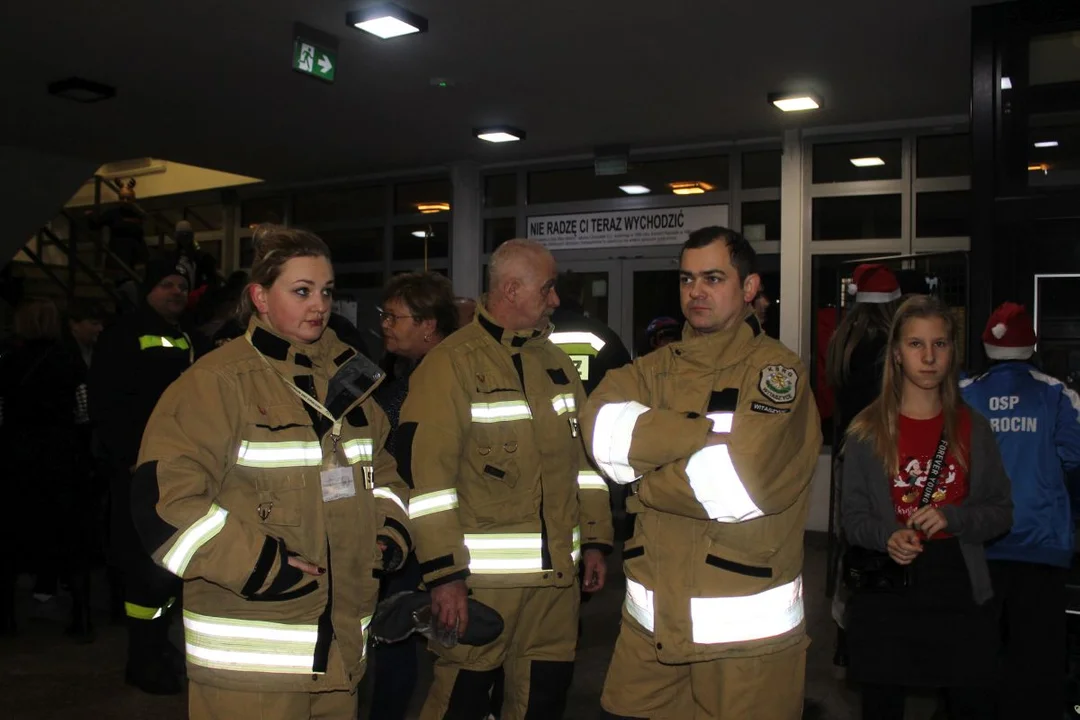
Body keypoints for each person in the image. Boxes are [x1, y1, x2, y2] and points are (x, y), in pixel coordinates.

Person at [131, 224, 412, 720]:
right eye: (301, 291)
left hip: (341, 653)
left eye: (325, 292)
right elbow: (165, 506)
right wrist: (262, 566)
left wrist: (388, 530)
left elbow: (383, 470)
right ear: (259, 297)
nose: (318, 305)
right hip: (252, 667)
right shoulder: (217, 382)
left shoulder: (349, 377)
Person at [582, 226, 822, 719]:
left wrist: (641, 477)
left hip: (744, 646)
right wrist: (696, 437)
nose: (696, 291)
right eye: (687, 279)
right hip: (651, 635)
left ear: (749, 287)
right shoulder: (651, 369)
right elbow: (599, 429)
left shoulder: (777, 374)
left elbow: (738, 481)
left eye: (713, 278)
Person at [397, 239, 613, 720]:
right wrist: (444, 576)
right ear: (512, 290)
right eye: (549, 288)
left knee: (542, 699)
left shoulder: (557, 366)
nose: (556, 301)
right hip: (479, 590)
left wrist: (596, 539)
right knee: (462, 700)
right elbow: (426, 484)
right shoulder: (449, 365)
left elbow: (586, 463)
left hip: (556, 590)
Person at [841, 295, 1013, 720]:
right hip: (887, 586)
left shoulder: (974, 428)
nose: (929, 356)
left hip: (957, 582)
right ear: (897, 354)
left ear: (953, 351)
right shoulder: (866, 430)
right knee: (882, 705)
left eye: (940, 344)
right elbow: (853, 519)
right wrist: (887, 535)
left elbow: (1000, 510)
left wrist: (953, 516)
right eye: (916, 345)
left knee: (970, 701)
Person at [88, 253, 208, 694]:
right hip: (141, 474)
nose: (175, 292)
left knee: (171, 570)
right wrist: (129, 458)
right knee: (145, 572)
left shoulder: (192, 337)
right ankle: (142, 659)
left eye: (181, 285)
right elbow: (106, 402)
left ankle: (159, 648)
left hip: (184, 474)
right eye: (166, 285)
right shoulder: (124, 334)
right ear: (148, 290)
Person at [960, 302, 1080, 719]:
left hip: (977, 544)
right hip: (1041, 547)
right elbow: (1075, 457)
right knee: (1038, 658)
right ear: (1032, 344)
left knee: (977, 653)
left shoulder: (963, 393)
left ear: (984, 344)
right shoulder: (1057, 394)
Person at [368, 272, 459, 720]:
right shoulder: (399, 373)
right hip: (408, 525)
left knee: (400, 632)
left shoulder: (441, 378)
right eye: (383, 314)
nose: (385, 324)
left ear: (427, 325)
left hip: (429, 530)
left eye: (394, 316)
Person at [0, 299, 94, 639]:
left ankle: (7, 617)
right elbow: (84, 411)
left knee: (12, 535)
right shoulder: (69, 361)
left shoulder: (7, 361)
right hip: (61, 455)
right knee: (70, 535)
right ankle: (81, 618)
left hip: (16, 455)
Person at [824, 263, 901, 666]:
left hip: (849, 452)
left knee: (853, 543)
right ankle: (885, 639)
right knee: (889, 543)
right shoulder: (894, 348)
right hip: (887, 454)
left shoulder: (844, 342)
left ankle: (847, 640)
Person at [549, 272, 630, 395]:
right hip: (590, 412)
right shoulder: (601, 335)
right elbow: (627, 383)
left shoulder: (535, 333)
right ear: (581, 296)